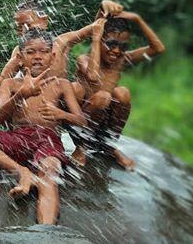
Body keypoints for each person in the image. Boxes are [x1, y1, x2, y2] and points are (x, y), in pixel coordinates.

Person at [0, 29, 87, 225]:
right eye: (31, 52)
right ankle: (20, 172)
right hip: (17, 138)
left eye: (43, 52)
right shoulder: (10, 84)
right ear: (20, 57)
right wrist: (21, 94)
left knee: (49, 173)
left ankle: (46, 231)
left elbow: (81, 120)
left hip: (48, 140)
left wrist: (61, 114)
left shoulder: (61, 84)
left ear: (53, 56)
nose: (37, 57)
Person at [71, 11, 165, 169]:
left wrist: (138, 18)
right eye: (110, 44)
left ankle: (109, 146)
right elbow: (93, 76)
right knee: (102, 97)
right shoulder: (84, 60)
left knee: (123, 93)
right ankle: (81, 147)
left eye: (123, 46)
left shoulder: (122, 60)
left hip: (103, 126)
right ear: (100, 40)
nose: (116, 50)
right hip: (80, 124)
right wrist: (95, 38)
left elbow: (158, 48)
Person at [0, 0, 124, 106]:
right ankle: (7, 125)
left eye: (27, 24)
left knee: (77, 88)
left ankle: (83, 134)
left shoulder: (62, 41)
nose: (23, 30)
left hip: (59, 102)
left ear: (44, 21)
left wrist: (103, 7)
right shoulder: (19, 50)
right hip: (31, 102)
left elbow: (95, 27)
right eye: (19, 27)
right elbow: (3, 81)